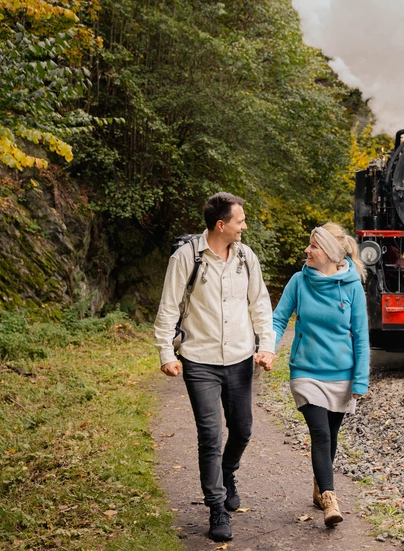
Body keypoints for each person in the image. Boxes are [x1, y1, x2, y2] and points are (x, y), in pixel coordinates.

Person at [153, 192, 276, 542]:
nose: (245, 226)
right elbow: (168, 309)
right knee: (209, 435)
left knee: (242, 430)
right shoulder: (186, 258)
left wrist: (266, 346)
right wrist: (166, 353)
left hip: (240, 359)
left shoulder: (246, 258)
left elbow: (261, 306)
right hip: (199, 361)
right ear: (221, 225)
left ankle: (228, 471)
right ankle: (216, 506)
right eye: (240, 220)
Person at [270, 222, 370, 527]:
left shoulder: (352, 287)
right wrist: (269, 349)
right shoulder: (299, 281)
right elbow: (278, 320)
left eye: (313, 246)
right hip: (306, 371)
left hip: (341, 373)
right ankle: (329, 497)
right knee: (321, 433)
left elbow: (361, 335)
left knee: (332, 434)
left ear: (328, 252)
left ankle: (318, 485)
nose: (307, 250)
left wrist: (360, 378)